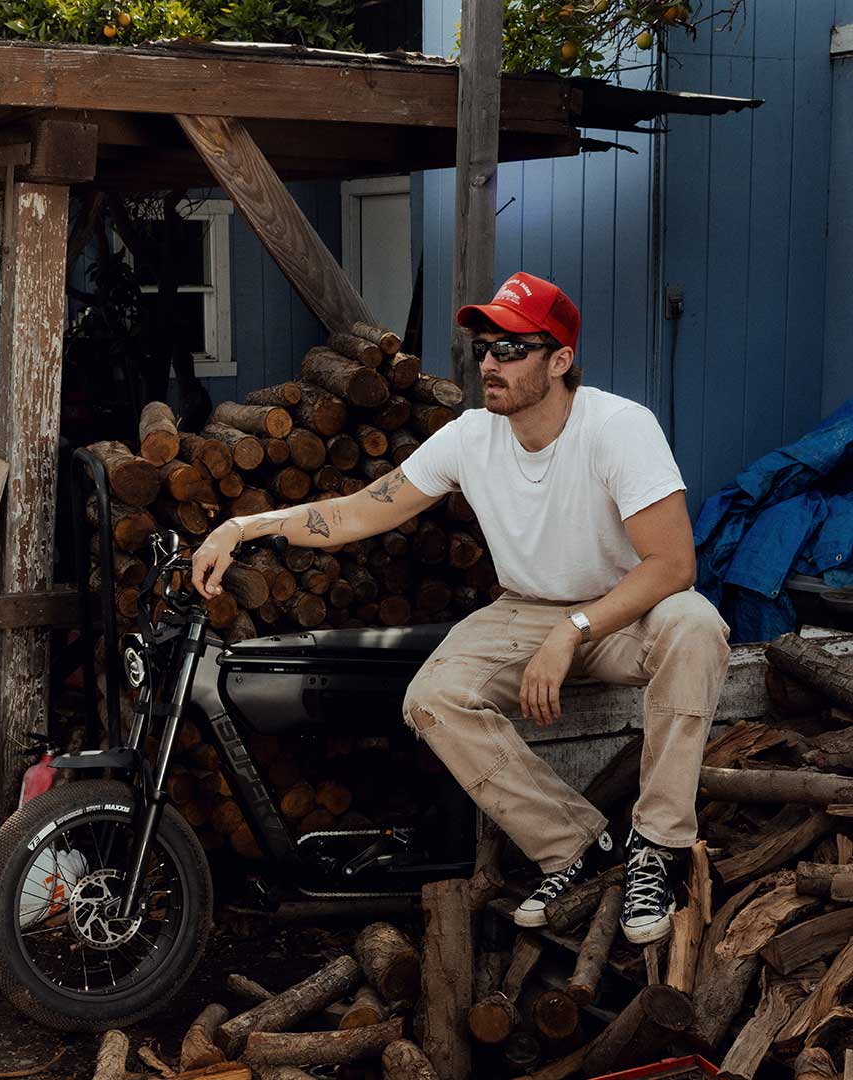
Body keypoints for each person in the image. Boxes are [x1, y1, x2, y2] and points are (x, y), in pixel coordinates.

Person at [191, 270, 730, 945]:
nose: (489, 363)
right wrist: (243, 529)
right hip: (526, 609)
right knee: (433, 697)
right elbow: (358, 512)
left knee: (697, 623)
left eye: (512, 348)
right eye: (484, 347)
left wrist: (575, 629)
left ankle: (659, 848)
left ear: (560, 360)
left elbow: (675, 565)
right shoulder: (469, 437)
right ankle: (579, 849)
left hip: (625, 610)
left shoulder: (620, 428)